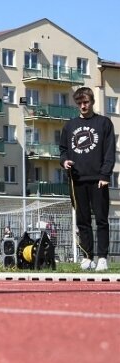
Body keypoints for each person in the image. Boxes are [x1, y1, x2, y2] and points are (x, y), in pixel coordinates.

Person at [60, 87, 116, 271]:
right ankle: (87, 257)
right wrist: (64, 161)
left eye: (86, 102)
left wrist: (105, 174)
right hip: (77, 179)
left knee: (101, 219)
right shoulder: (69, 126)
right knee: (82, 221)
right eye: (80, 103)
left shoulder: (104, 123)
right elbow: (63, 150)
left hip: (98, 179)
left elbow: (109, 151)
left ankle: (102, 258)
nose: (83, 106)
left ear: (92, 102)